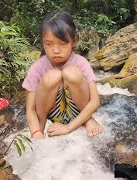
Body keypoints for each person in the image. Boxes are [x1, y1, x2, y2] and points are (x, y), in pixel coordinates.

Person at [22, 10, 102, 138]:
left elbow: (95, 101)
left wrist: (68, 128)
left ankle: (88, 119)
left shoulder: (81, 63)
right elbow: (30, 108)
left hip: (76, 112)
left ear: (74, 41)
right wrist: (35, 131)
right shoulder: (37, 68)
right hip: (52, 113)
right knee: (52, 75)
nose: (56, 50)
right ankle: (41, 125)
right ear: (43, 43)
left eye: (63, 44)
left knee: (71, 73)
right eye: (48, 44)